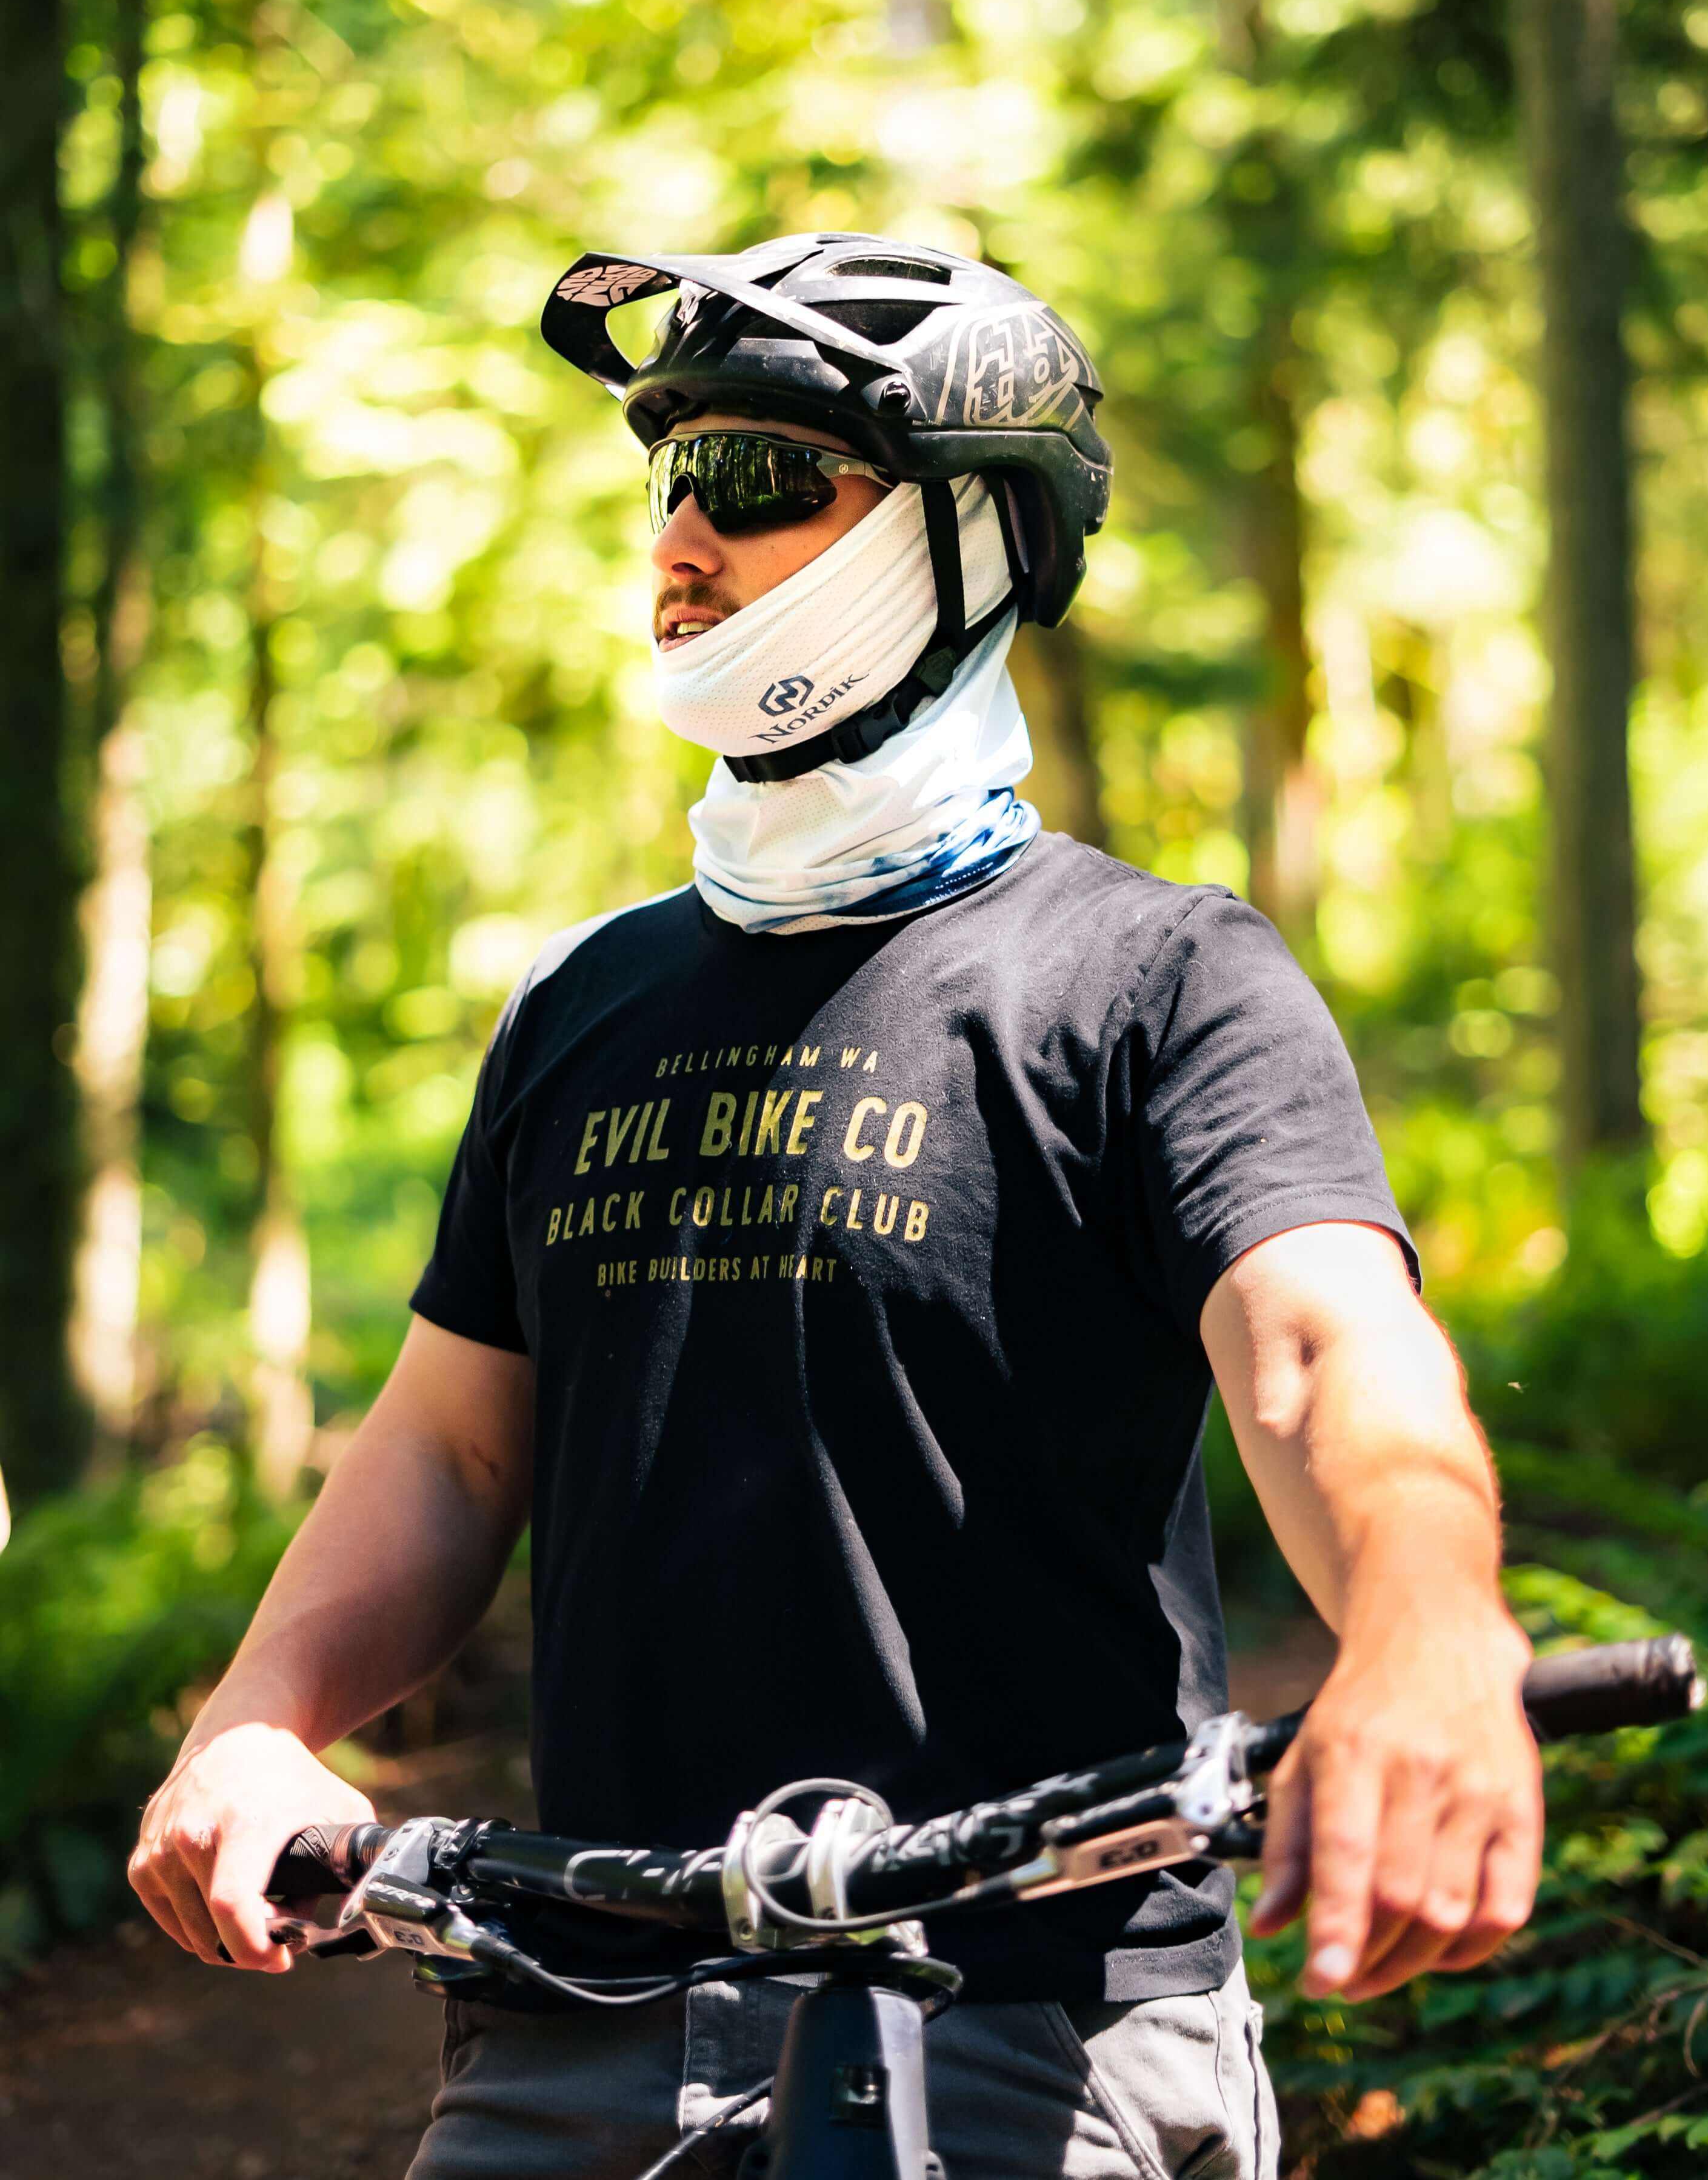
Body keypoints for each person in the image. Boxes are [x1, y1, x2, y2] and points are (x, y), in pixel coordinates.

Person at [131, 235, 1543, 2180]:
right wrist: (256, 1714)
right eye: (669, 479)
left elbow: (1317, 1351)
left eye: (761, 479)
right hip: (570, 2017)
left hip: (1027, 2018)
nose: (681, 538)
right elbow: (451, 1448)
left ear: (967, 534)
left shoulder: (1154, 975)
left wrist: (1426, 1621)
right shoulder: (582, 1002)